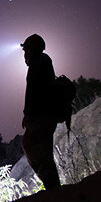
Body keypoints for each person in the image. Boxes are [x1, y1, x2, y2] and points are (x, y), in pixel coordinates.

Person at [20, 33, 61, 190]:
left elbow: (33, 92)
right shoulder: (43, 62)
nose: (25, 54)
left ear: (32, 49)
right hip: (47, 116)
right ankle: (54, 188)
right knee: (42, 151)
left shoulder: (38, 64)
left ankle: (53, 189)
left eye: (26, 50)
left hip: (42, 117)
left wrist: (28, 114)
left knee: (33, 146)